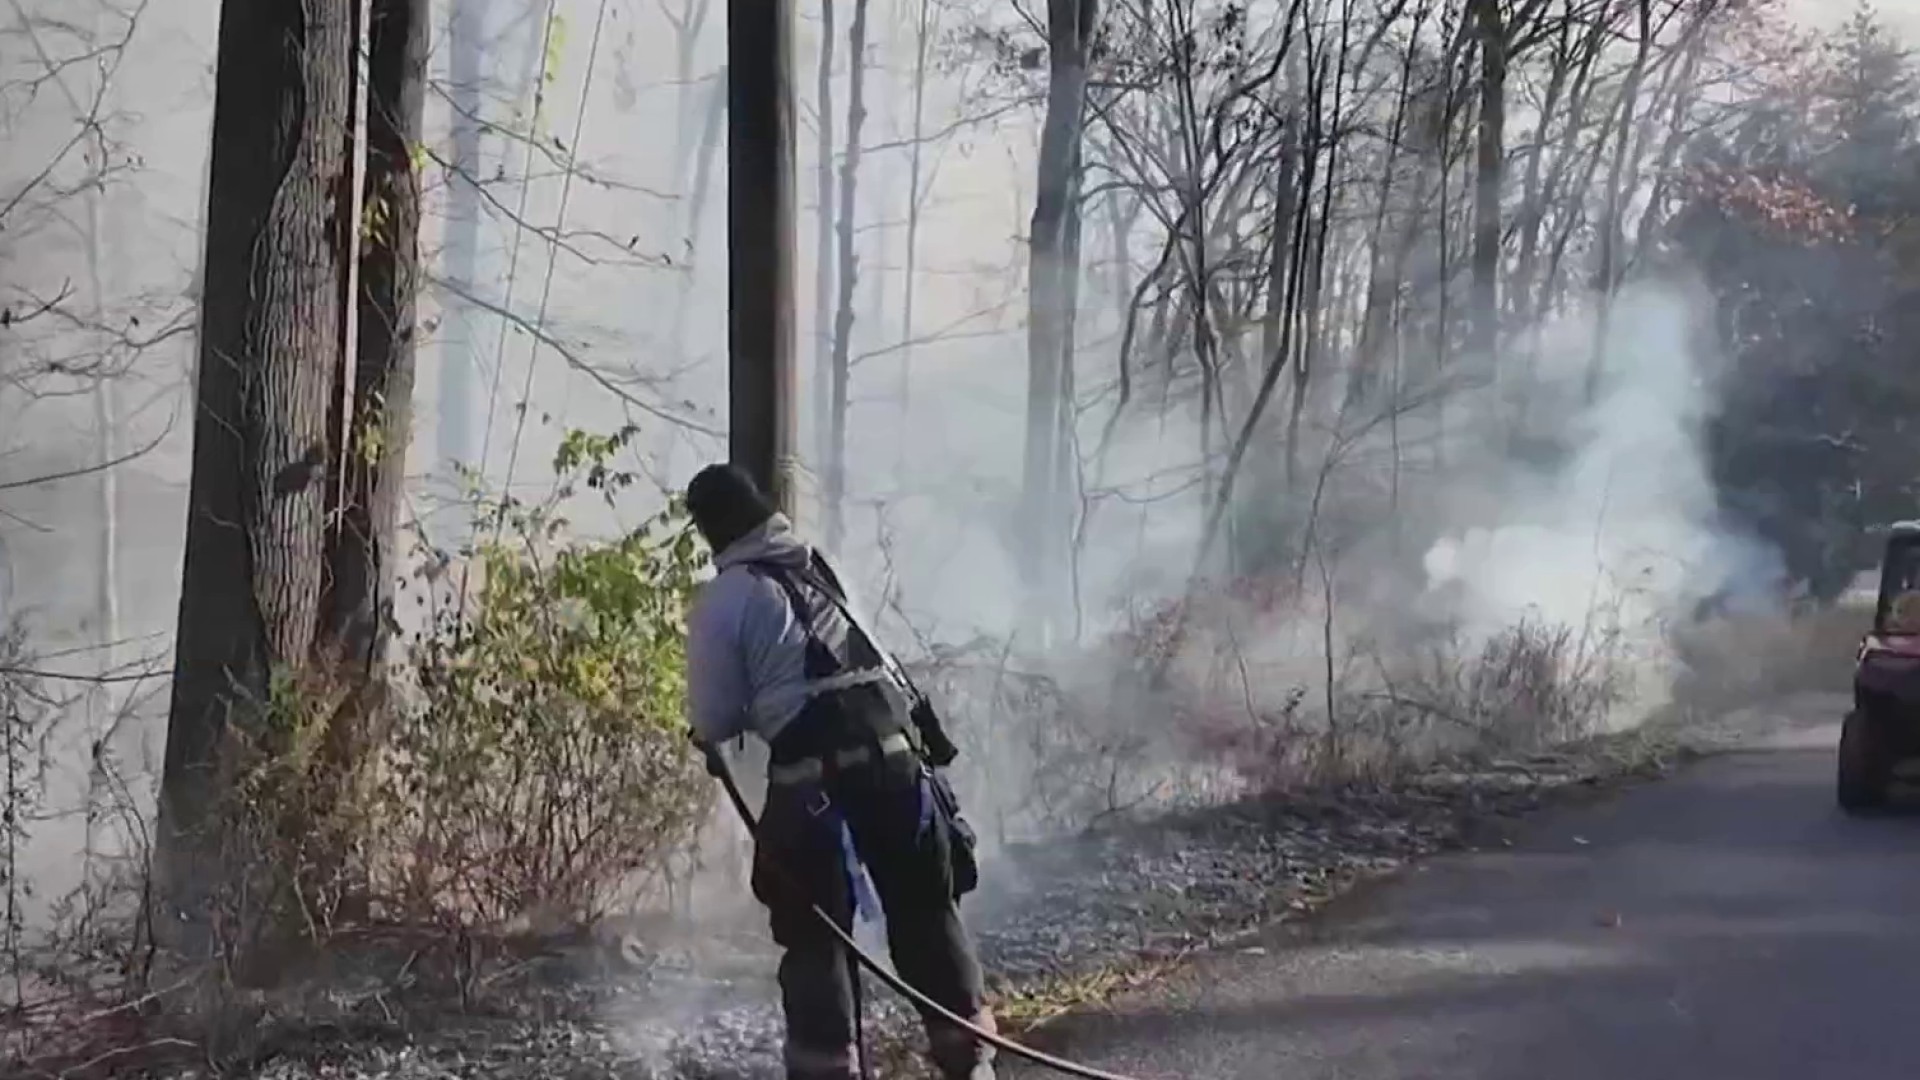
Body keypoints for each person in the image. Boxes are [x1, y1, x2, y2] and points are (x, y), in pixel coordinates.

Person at [682, 463, 996, 1080]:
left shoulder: (727, 597)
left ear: (711, 529)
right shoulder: (821, 566)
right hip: (901, 763)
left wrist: (720, 724)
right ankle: (973, 1066)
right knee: (928, 911)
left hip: (813, 783)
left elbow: (715, 717)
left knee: (815, 932)